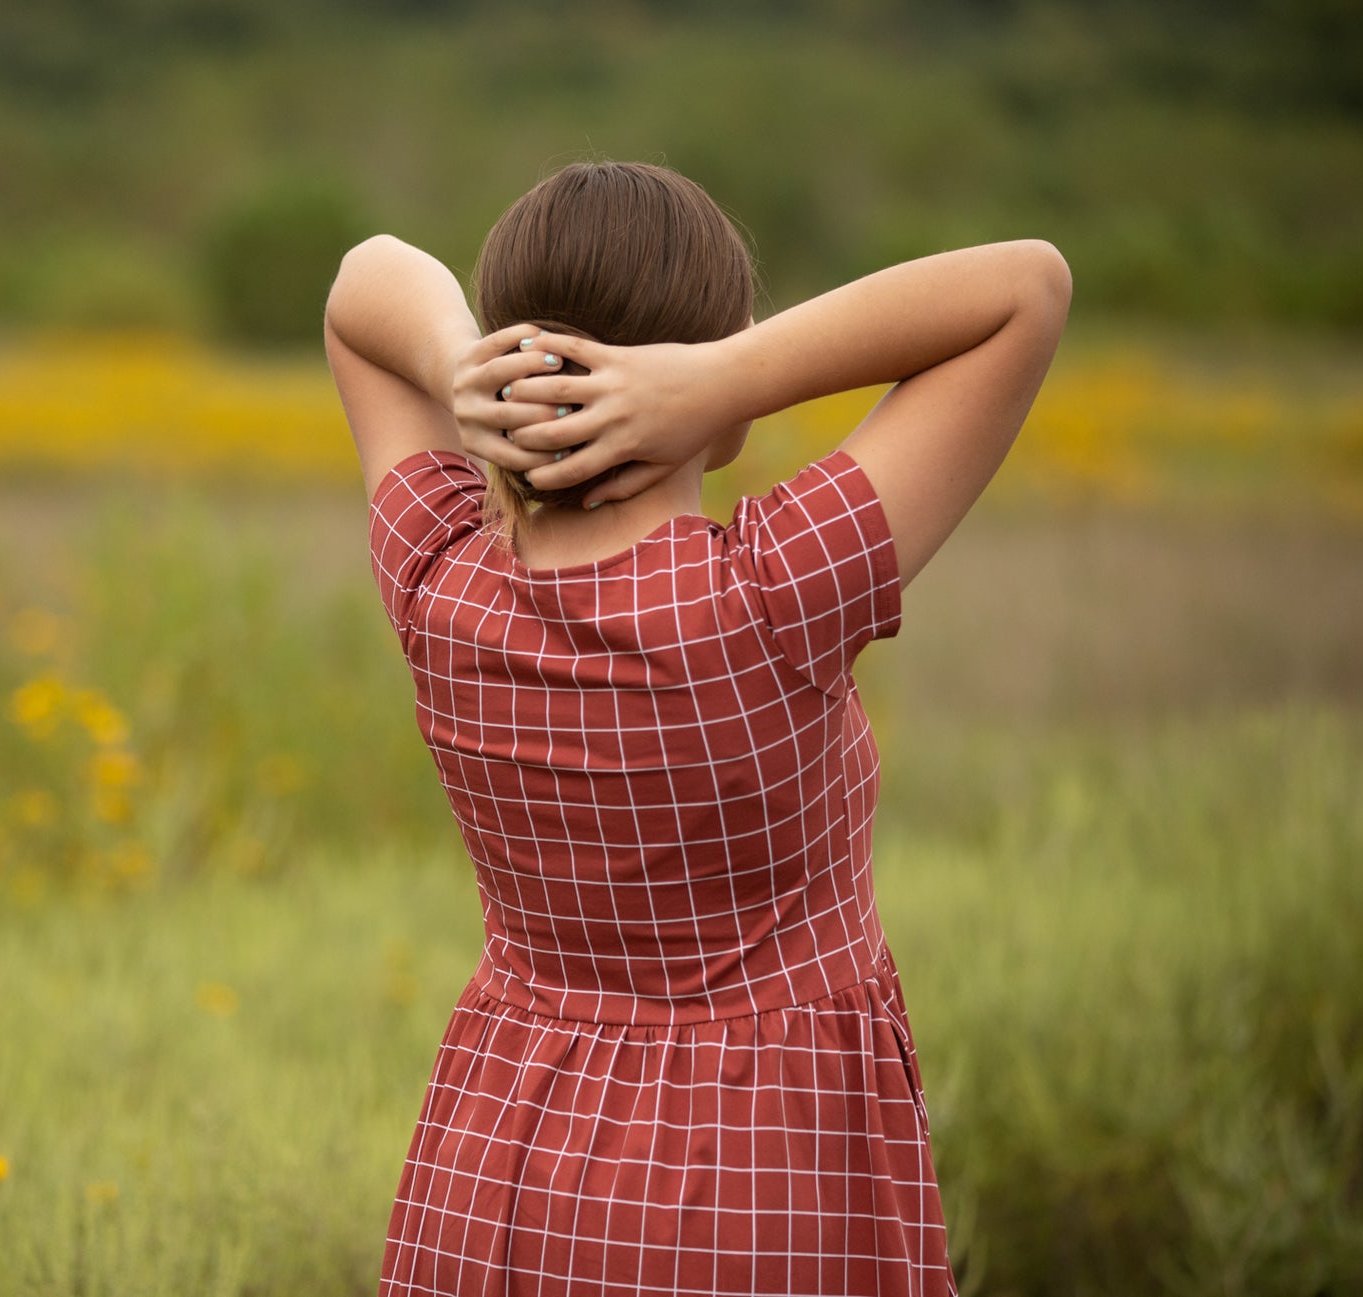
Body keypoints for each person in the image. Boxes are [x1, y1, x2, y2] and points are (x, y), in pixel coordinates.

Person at [323, 160, 1070, 1296]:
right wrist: (727, 377)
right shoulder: (767, 600)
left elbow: (362, 282)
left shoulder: (438, 581)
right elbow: (1027, 285)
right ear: (703, 388)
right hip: (751, 1170)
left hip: (501, 1155)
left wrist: (456, 366)